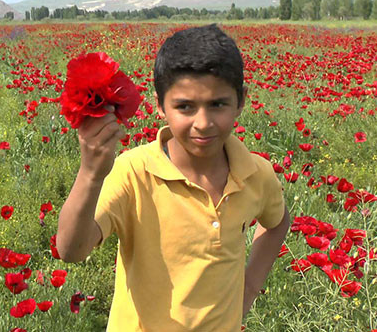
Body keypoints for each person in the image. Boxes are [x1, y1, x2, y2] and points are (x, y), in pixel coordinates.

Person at [56, 24, 290, 331]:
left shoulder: (256, 173)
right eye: (185, 107)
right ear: (160, 105)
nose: (203, 123)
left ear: (241, 100)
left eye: (217, 104)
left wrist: (249, 288)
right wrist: (90, 174)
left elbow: (277, 222)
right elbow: (72, 250)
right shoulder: (134, 172)